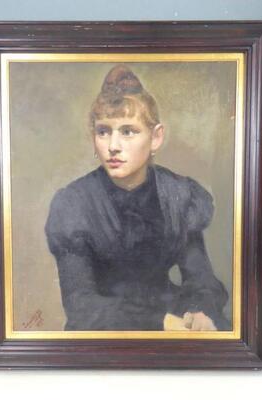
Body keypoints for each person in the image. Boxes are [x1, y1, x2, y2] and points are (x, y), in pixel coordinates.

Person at [45, 65, 229, 331]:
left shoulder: (177, 194)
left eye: (128, 131)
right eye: (103, 131)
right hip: (103, 328)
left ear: (156, 137)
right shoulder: (74, 204)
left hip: (175, 318)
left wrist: (200, 312)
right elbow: (80, 305)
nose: (113, 146)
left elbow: (201, 280)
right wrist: (160, 321)